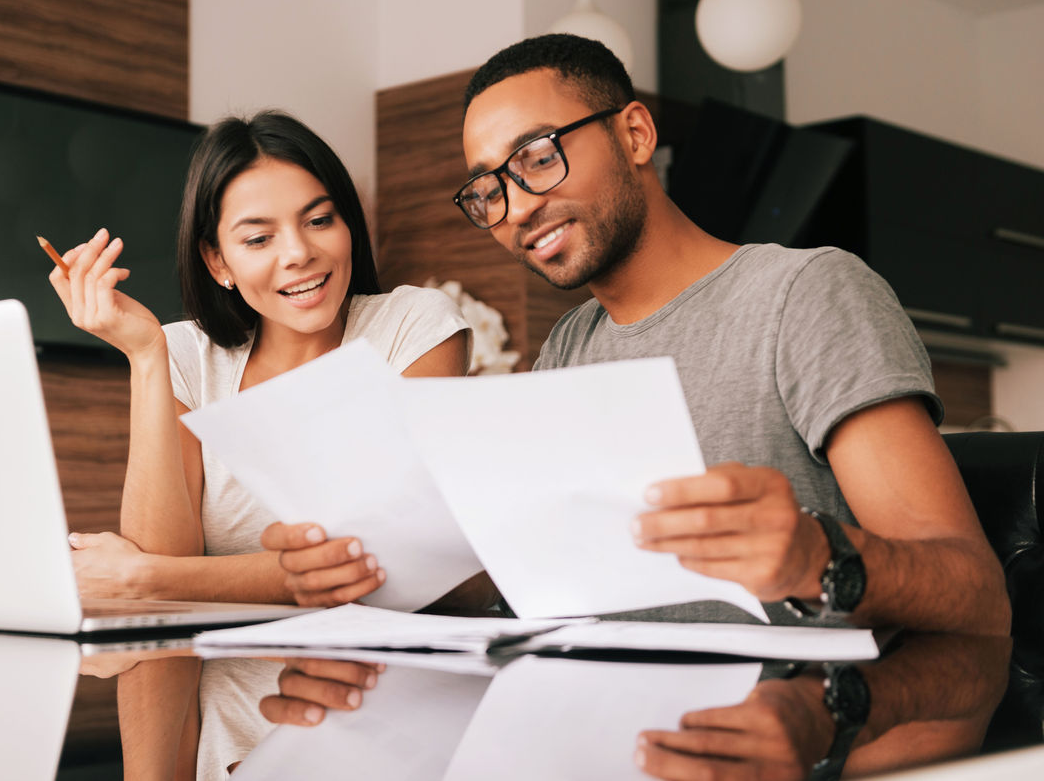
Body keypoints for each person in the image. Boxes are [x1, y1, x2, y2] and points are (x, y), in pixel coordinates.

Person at [263, 34, 1010, 636]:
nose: (516, 208)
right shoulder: (568, 346)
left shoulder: (805, 293)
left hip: (797, 726)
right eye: (488, 190)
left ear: (636, 133)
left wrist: (819, 556)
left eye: (536, 158)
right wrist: (367, 568)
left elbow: (975, 593)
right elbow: (537, 581)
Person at [48, 110, 471, 780]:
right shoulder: (185, 355)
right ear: (218, 261)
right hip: (226, 744)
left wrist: (143, 577)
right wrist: (145, 355)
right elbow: (163, 616)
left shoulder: (414, 329)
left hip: (384, 732)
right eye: (258, 237)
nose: (298, 252)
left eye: (319, 219)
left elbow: (368, 569)